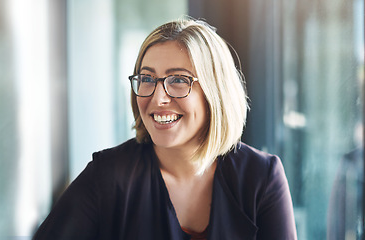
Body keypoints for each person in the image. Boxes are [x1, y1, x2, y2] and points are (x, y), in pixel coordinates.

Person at [33, 18, 297, 240]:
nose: (158, 98)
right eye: (147, 79)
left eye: (179, 80)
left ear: (215, 92)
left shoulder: (262, 178)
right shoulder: (108, 176)